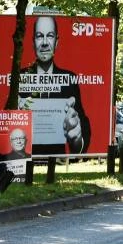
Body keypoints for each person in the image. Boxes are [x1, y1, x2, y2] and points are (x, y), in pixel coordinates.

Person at [19, 16, 91, 155]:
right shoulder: (20, 78)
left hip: (57, 159)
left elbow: (80, 128)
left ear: (56, 42)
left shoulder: (69, 79)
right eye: (39, 36)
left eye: (50, 36)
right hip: (25, 158)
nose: (45, 43)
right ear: (33, 42)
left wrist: (76, 139)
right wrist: (14, 117)